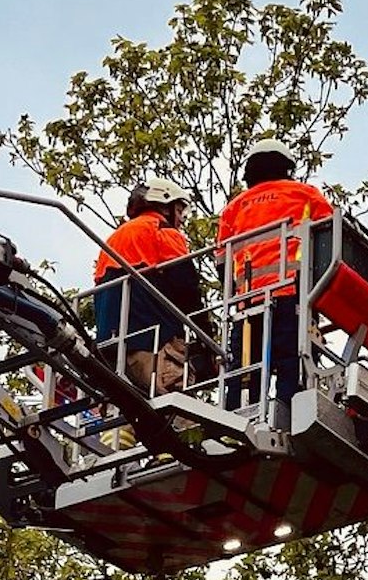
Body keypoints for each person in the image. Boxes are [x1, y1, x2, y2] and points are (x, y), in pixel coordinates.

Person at [216, 138, 332, 414]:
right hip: (294, 296)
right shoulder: (306, 195)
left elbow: (222, 264)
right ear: (287, 167)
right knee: (294, 363)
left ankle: (237, 421)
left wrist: (239, 294)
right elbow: (330, 244)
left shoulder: (234, 208)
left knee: (245, 373)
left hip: (248, 306)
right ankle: (290, 417)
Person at [94, 178, 201, 396]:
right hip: (154, 344)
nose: (181, 219)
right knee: (180, 419)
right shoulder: (162, 230)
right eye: (179, 210)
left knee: (127, 421)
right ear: (165, 205)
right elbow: (187, 286)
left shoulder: (114, 238)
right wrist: (206, 336)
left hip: (111, 349)